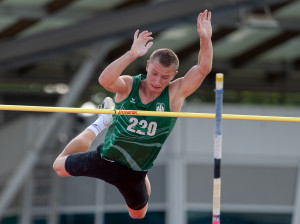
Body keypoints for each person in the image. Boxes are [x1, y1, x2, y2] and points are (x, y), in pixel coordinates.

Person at [53, 9, 213, 219]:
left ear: (173, 76)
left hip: (135, 173)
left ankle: (132, 160)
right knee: (59, 167)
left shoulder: (175, 94)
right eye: (154, 73)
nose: (157, 82)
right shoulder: (130, 85)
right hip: (106, 159)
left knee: (138, 215)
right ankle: (101, 123)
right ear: (147, 66)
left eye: (164, 77)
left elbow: (202, 68)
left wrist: (205, 39)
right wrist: (131, 54)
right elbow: (105, 81)